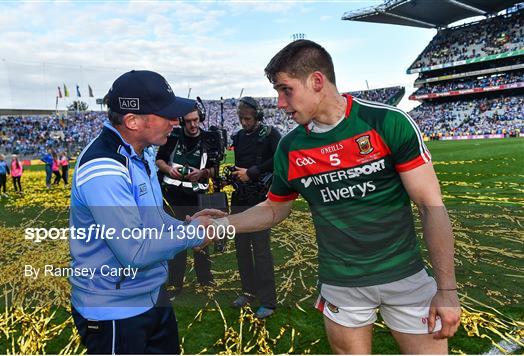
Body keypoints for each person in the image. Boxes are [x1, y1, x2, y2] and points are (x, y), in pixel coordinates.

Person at [209, 40, 461, 354]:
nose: (280, 103)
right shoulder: (290, 147)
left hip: (405, 276)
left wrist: (447, 290)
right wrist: (223, 225)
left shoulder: (386, 122)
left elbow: (430, 205)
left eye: (285, 90)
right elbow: (274, 208)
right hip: (341, 284)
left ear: (317, 82)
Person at [69, 70, 224, 354]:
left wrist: (186, 225)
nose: (175, 122)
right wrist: (194, 233)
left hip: (149, 295)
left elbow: (152, 220)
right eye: (166, 114)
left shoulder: (138, 154)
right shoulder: (104, 168)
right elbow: (135, 250)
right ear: (132, 121)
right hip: (115, 310)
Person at [226, 96, 281, 319]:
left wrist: (252, 172)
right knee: (241, 248)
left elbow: (280, 159)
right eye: (241, 118)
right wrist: (237, 174)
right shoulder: (238, 136)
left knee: (260, 250)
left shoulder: (270, 134)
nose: (244, 123)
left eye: (248, 118)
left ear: (257, 116)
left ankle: (268, 300)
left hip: (261, 199)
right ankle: (248, 292)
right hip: (240, 197)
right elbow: (241, 165)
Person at [156, 104, 216, 298]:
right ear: (182, 121)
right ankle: (175, 283)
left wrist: (204, 173)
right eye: (188, 121)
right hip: (174, 197)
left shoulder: (209, 138)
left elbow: (216, 167)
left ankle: (205, 280)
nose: (192, 125)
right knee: (176, 242)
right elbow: (160, 160)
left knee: (202, 240)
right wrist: (168, 169)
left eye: (195, 120)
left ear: (201, 118)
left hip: (199, 198)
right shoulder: (172, 137)